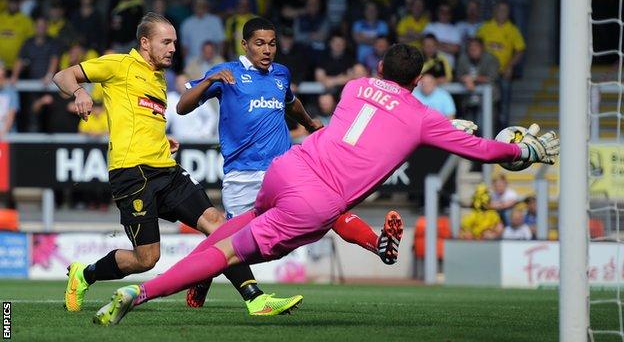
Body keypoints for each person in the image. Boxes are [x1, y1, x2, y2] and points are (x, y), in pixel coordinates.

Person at [93, 43, 560, 325]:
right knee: (228, 252)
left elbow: (382, 113)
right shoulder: (421, 116)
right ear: (418, 81)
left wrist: (439, 124)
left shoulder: (356, 88)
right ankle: (141, 292)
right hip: (313, 201)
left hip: (287, 168)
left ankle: (374, 244)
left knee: (225, 236)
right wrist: (524, 151)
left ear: (379, 69)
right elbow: (481, 150)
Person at [52, 12, 300, 316]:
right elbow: (62, 75)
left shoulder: (158, 76)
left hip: (166, 169)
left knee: (219, 226)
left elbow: (141, 117)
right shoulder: (119, 65)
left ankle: (255, 297)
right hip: (132, 174)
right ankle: (85, 273)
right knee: (146, 259)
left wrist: (162, 139)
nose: (172, 48)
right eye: (165, 42)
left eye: (174, 42)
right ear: (145, 42)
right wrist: (79, 92)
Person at [178, 17, 401, 308]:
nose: (267, 49)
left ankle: (378, 245)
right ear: (244, 45)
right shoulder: (228, 73)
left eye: (271, 43)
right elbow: (182, 107)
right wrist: (209, 80)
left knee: (330, 208)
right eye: (259, 43)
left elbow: (290, 102)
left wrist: (308, 123)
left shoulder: (281, 74)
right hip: (243, 175)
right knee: (227, 242)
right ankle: (201, 277)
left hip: (284, 170)